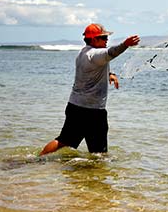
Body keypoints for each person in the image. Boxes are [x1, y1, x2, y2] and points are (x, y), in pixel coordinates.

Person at [39, 23, 140, 156]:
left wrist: (110, 74)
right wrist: (125, 44)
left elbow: (93, 69)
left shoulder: (83, 53)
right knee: (99, 152)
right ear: (93, 40)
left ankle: (37, 160)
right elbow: (112, 52)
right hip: (93, 112)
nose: (106, 40)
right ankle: (96, 174)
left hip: (75, 107)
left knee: (63, 140)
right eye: (103, 37)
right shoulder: (95, 54)